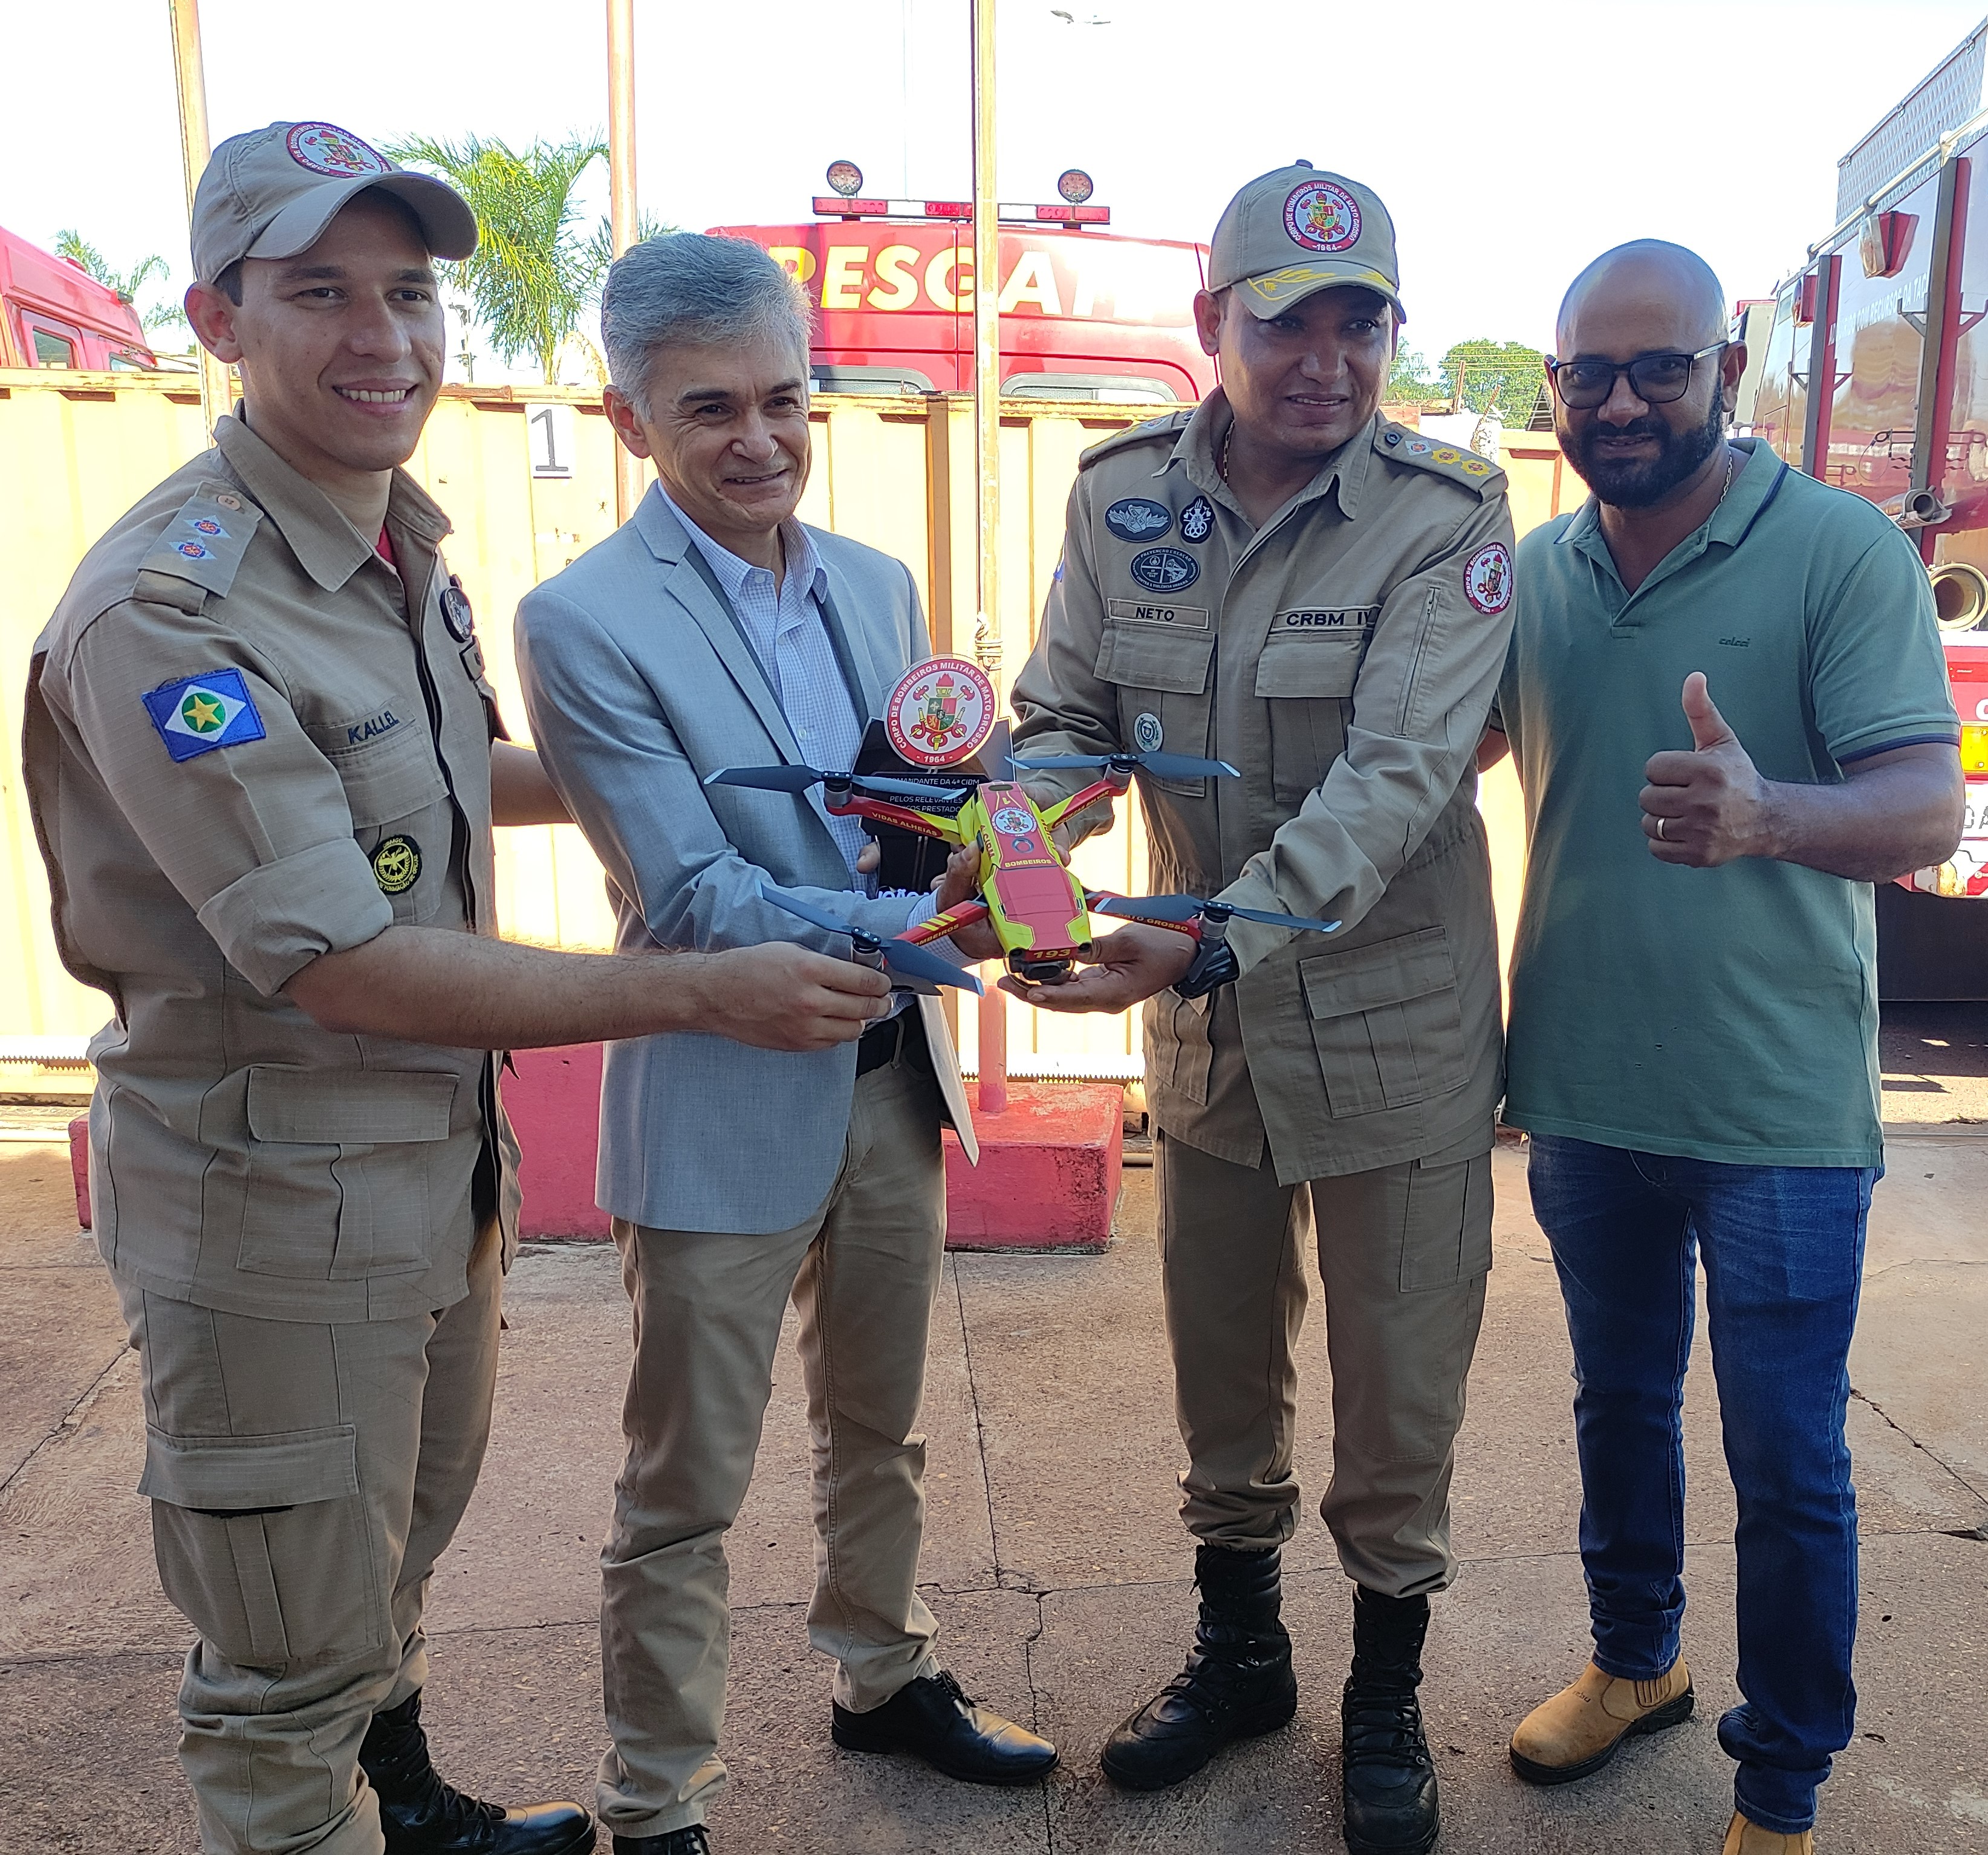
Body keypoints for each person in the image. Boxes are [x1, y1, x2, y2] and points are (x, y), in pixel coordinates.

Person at [24, 125, 897, 1855]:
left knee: (389, 1549)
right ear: (216, 319)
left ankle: (407, 1798)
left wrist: (666, 765)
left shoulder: (382, 542)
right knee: (284, 1660)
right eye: (321, 293)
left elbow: (434, 778)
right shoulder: (173, 607)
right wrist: (696, 990)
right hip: (272, 1201)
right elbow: (338, 956)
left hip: (425, 1174)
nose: (386, 337)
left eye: (410, 292)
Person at [513, 233, 1056, 1855]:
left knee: (881, 1424)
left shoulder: (878, 586)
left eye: (783, 399)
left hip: (889, 1081)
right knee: (684, 1484)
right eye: (710, 410)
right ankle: (657, 1798)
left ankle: (883, 1673)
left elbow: (943, 788)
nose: (759, 441)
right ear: (629, 422)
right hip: (720, 1091)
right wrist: (929, 928)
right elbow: (687, 893)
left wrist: (1018, 853)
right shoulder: (585, 620)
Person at [1002, 165, 1515, 1855]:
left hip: (1392, 1029)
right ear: (1212, 322)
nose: (1327, 360)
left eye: (1361, 323)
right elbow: (1069, 717)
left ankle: (1384, 1694)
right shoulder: (1120, 498)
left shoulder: (1446, 517)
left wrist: (1211, 940)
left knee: (1398, 1391)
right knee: (1223, 1372)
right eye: (1290, 324)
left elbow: (1396, 779)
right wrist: (1017, 853)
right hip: (1210, 1032)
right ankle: (1244, 1658)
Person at [1484, 240, 1964, 1855]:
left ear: (1727, 372)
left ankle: (1783, 1784)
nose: (1621, 402)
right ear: (1557, 385)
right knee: (1618, 1402)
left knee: (1787, 1458)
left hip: (1777, 1107)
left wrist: (1771, 817)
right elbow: (1421, 752)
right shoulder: (1536, 572)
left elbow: (1927, 806)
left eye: (1660, 368)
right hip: (1582, 1083)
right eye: (1589, 373)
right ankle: (1639, 1662)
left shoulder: (1837, 551)